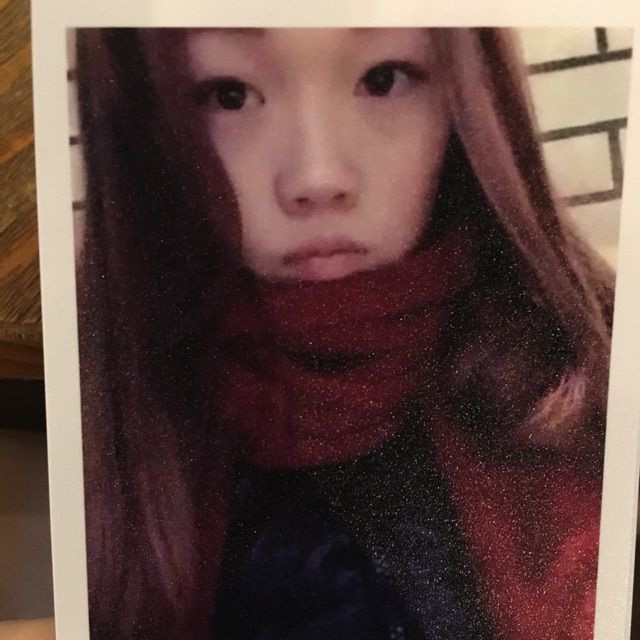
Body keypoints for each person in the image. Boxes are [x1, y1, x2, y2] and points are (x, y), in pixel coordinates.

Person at [74, 27, 613, 640]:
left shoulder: (594, 373)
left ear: (467, 96)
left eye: (382, 80)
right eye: (229, 95)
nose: (317, 177)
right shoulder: (101, 427)